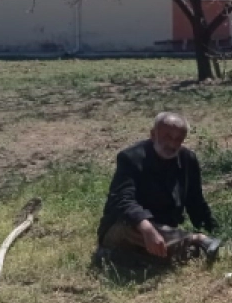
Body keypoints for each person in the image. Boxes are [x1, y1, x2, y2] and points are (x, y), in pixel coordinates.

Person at [93, 112, 223, 270]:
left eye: (178, 139)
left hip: (164, 233)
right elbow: (122, 200)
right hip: (128, 228)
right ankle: (197, 239)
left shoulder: (188, 159)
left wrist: (215, 230)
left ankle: (120, 256)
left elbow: (195, 202)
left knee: (188, 252)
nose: (172, 144)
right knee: (131, 227)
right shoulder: (130, 158)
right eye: (167, 137)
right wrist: (146, 227)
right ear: (153, 134)